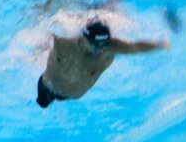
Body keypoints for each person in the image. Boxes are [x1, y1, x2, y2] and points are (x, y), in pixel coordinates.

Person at [35, 19, 168, 108]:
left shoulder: (110, 48)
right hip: (48, 87)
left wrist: (161, 45)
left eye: (103, 44)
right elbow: (45, 23)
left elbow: (136, 47)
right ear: (84, 37)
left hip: (74, 94)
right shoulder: (64, 42)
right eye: (94, 44)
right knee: (42, 104)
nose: (99, 48)